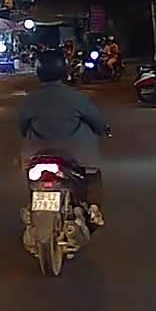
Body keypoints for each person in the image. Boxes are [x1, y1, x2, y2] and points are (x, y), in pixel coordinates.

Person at [18, 50, 110, 227]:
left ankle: (33, 206)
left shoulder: (30, 99)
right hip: (75, 154)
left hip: (37, 153)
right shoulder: (76, 97)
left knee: (30, 175)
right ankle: (94, 208)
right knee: (93, 172)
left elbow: (22, 124)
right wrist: (103, 130)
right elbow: (95, 119)